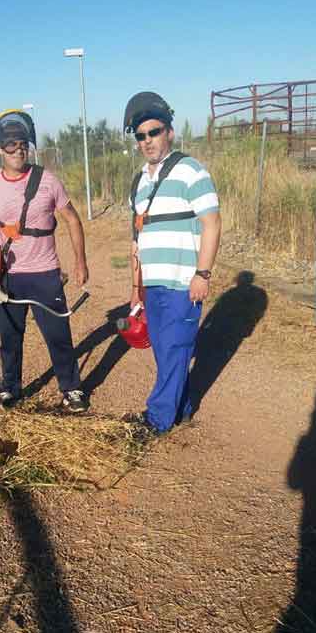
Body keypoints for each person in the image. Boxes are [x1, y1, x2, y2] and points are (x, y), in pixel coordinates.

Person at [0, 109, 89, 413]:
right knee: (9, 340)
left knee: (58, 337)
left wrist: (80, 262)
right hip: (10, 277)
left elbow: (72, 220)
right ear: (1, 148)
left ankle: (72, 389)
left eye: (23, 143)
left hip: (45, 274)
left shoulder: (48, 181)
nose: (18, 149)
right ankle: (10, 389)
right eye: (11, 144)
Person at [124, 91, 221, 435]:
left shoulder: (192, 171)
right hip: (153, 283)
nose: (148, 141)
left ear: (168, 131)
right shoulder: (139, 181)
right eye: (141, 136)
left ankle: (157, 419)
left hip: (184, 282)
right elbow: (136, 241)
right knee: (165, 349)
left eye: (154, 132)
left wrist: (202, 274)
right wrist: (136, 289)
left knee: (177, 346)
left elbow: (212, 223)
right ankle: (183, 407)